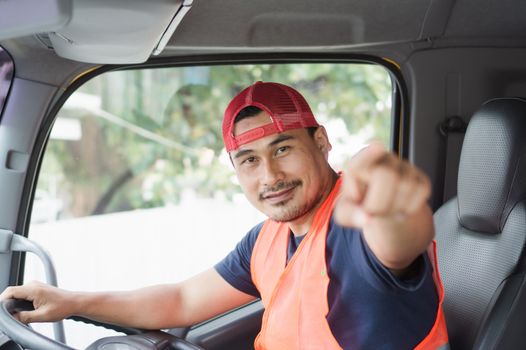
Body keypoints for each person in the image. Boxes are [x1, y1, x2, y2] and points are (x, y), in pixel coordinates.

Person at [0, 81, 448, 349]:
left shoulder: (355, 226)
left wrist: (391, 203)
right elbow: (181, 301)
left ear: (322, 142)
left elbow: (397, 241)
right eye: (249, 160)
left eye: (283, 149)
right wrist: (70, 301)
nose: (270, 175)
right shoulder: (266, 240)